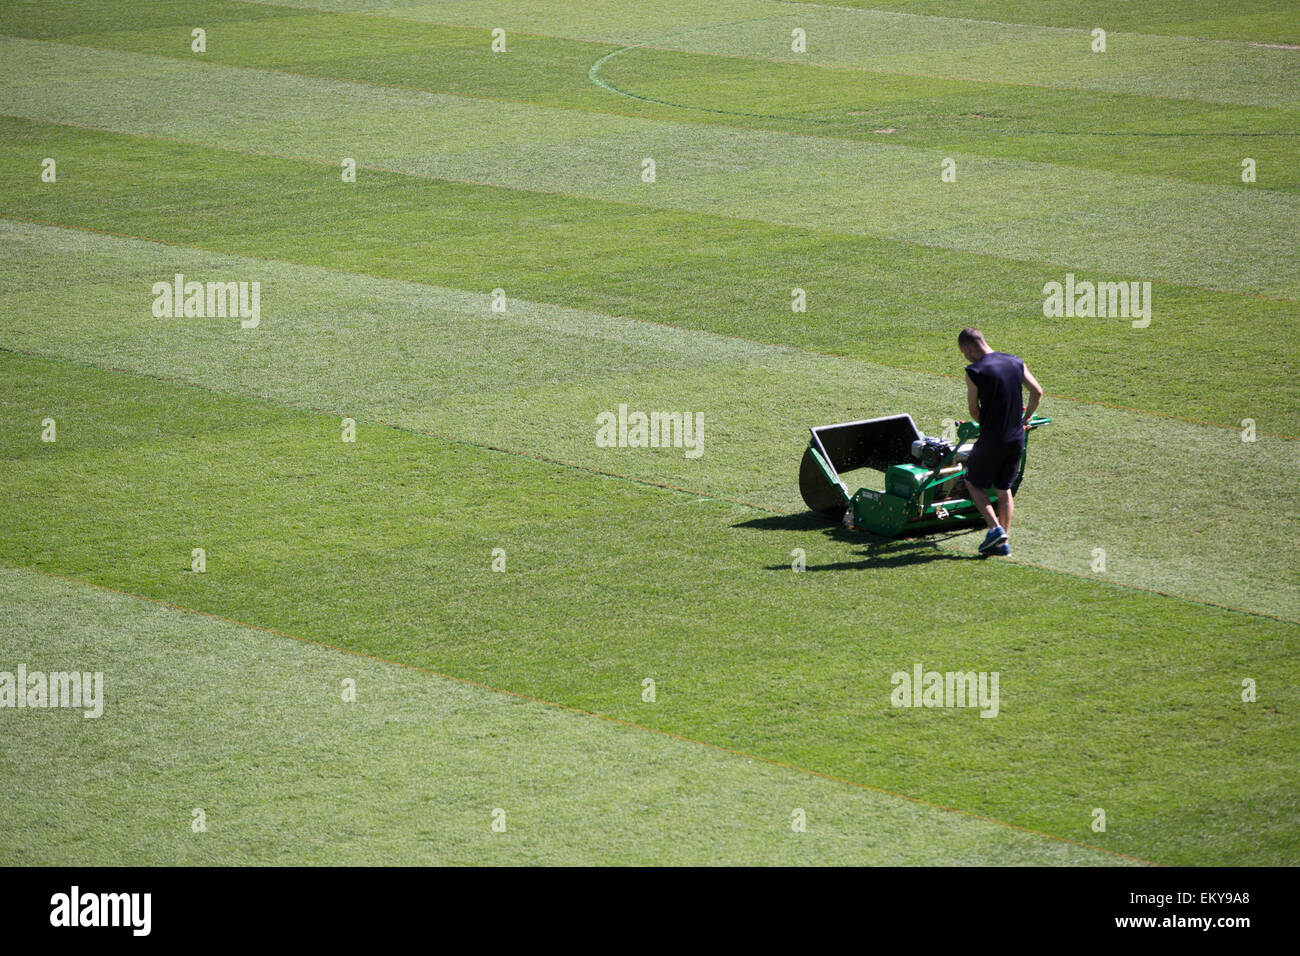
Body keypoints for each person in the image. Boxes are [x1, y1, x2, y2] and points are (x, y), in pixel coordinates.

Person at [957, 328, 1043, 557]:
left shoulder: (974, 371)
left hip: (992, 437)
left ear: (968, 348)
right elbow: (1037, 392)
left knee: (972, 481)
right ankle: (1003, 543)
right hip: (1016, 438)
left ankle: (994, 528)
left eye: (964, 352)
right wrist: (1026, 419)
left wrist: (983, 422)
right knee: (1004, 488)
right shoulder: (1015, 361)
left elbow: (974, 410)